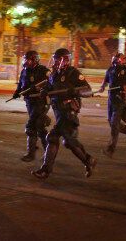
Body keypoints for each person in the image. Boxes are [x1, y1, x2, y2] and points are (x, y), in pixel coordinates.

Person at [31, 48, 96, 179]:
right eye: (55, 59)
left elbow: (88, 90)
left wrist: (75, 91)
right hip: (59, 112)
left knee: (53, 138)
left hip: (69, 112)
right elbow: (49, 87)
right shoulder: (54, 74)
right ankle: (88, 160)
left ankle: (45, 170)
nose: (55, 62)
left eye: (57, 59)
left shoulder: (73, 73)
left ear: (64, 60)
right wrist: (44, 91)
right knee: (67, 142)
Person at [98, 53, 126, 158]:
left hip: (121, 99)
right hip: (111, 99)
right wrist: (103, 86)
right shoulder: (111, 69)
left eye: (123, 59)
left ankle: (110, 149)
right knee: (111, 122)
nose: (123, 60)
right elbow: (106, 79)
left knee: (114, 124)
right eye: (121, 59)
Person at [12, 50, 51, 162]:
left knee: (31, 127)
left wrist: (39, 88)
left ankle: (31, 154)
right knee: (40, 128)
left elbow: (51, 81)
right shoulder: (24, 71)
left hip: (41, 102)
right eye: (25, 59)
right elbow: (21, 84)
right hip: (30, 102)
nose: (25, 62)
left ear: (34, 60)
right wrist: (17, 92)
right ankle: (48, 152)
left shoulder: (43, 70)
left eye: (27, 59)